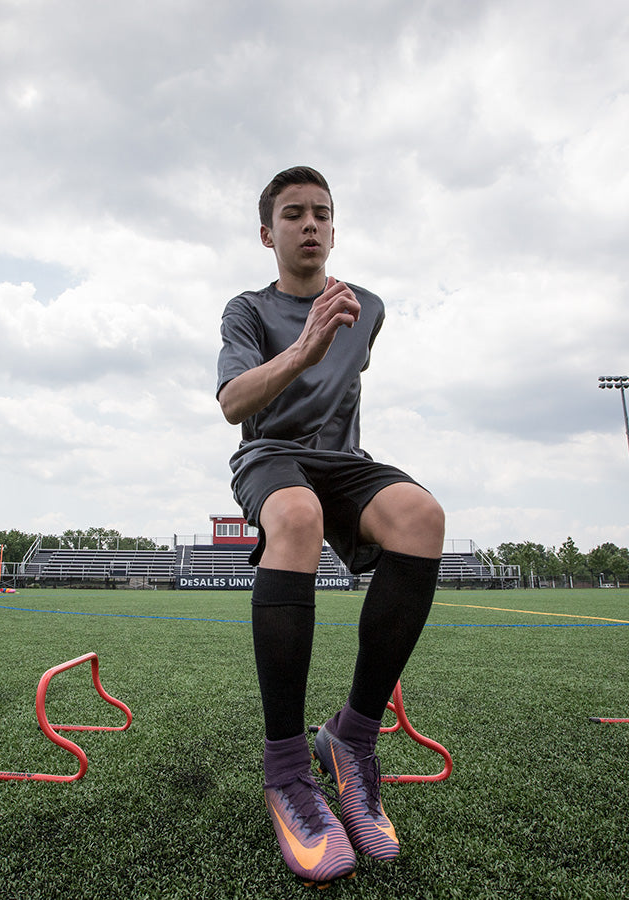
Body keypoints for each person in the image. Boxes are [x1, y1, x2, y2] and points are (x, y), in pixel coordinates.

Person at [216, 166, 445, 885]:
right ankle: (287, 768)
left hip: (342, 461)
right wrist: (304, 349)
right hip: (270, 457)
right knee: (298, 514)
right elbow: (232, 402)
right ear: (268, 234)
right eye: (293, 214)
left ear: (334, 231)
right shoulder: (247, 310)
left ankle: (352, 737)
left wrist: (329, 346)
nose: (309, 224)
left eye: (320, 213)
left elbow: (349, 373)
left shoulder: (365, 307)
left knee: (421, 515)